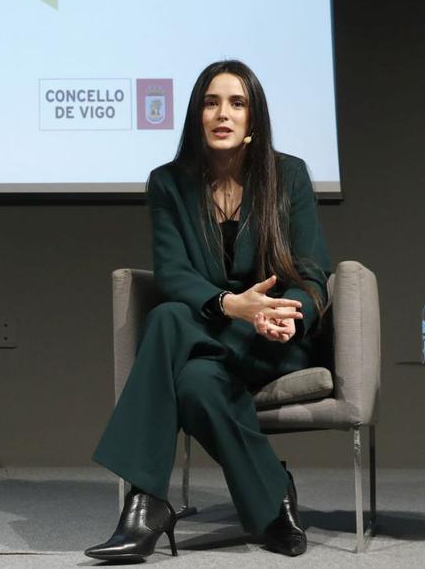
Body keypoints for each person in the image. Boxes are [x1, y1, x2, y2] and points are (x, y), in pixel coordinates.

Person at [85, 61, 331, 561]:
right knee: (192, 376)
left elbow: (311, 273)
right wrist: (230, 305)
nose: (223, 114)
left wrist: (287, 313)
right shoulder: (168, 184)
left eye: (237, 104)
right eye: (211, 102)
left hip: (271, 340)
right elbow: (173, 273)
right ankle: (272, 496)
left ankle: (146, 500)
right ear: (197, 116)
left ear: (253, 121)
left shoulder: (289, 176)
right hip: (208, 328)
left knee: (167, 321)